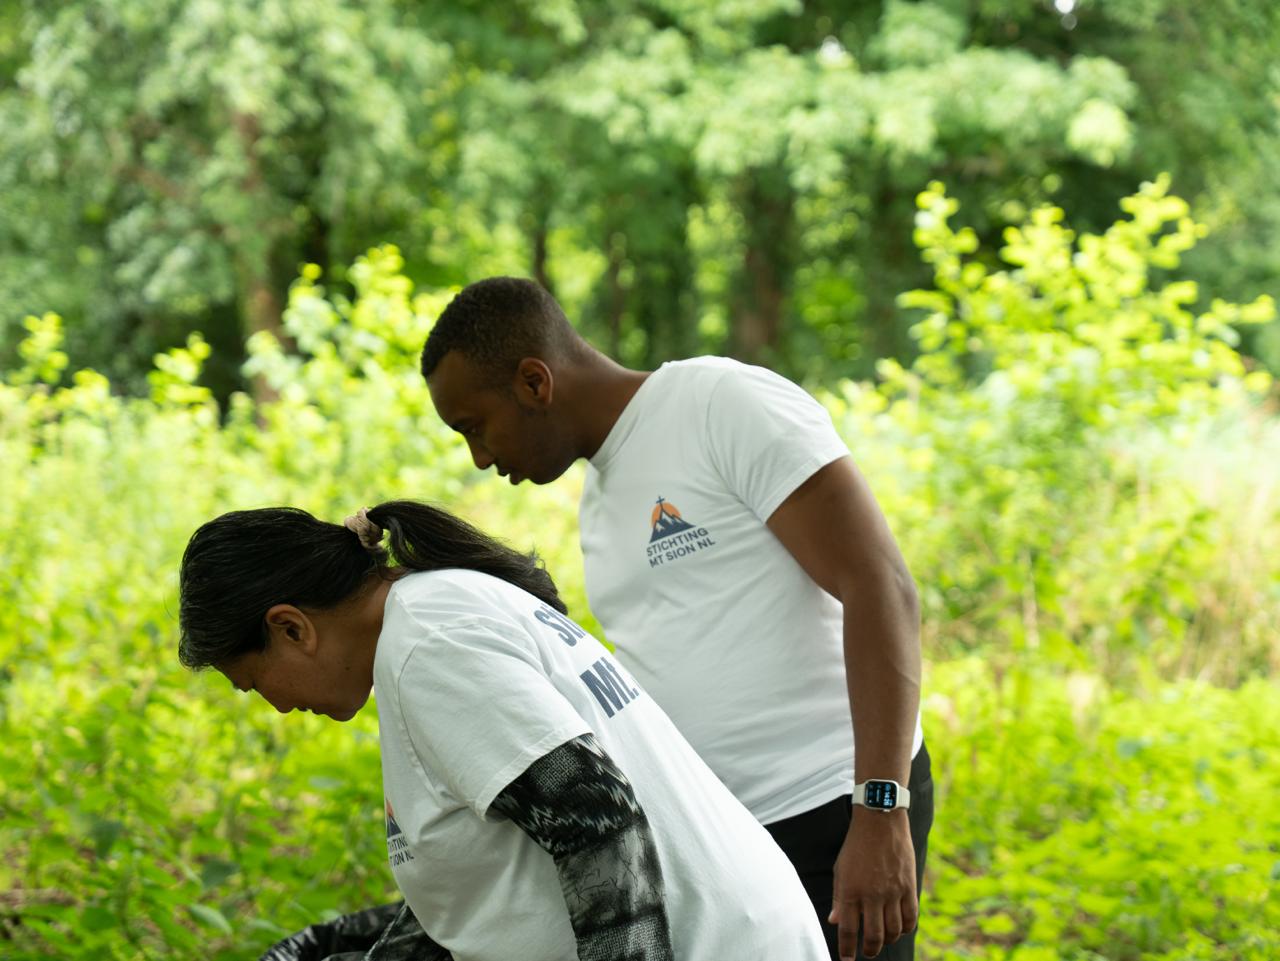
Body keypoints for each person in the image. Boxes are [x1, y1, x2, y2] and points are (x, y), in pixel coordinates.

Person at [421, 277, 934, 961]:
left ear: (534, 382)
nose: (480, 457)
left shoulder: (719, 403)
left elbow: (881, 584)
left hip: (835, 808)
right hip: (723, 840)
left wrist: (879, 808)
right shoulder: (599, 501)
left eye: (474, 427)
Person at [177, 500, 827, 961]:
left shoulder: (430, 649)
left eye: (253, 682)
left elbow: (598, 818)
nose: (276, 706)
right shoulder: (438, 606)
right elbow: (497, 884)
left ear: (292, 626)